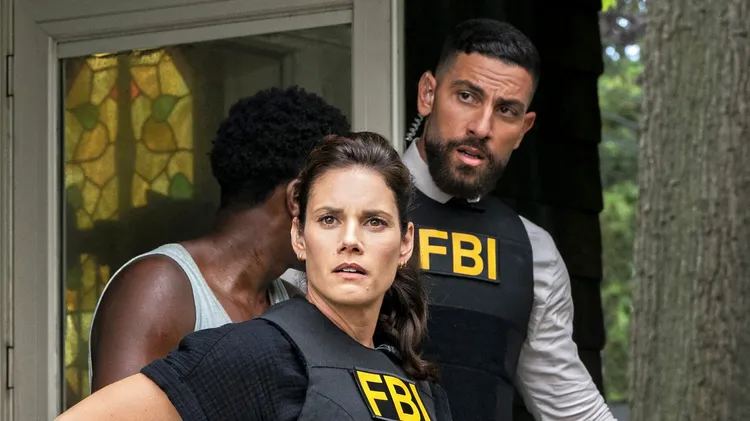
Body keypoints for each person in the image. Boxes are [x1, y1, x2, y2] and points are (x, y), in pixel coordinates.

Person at [57, 131, 453, 421]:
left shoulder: (418, 385)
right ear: (299, 237)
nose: (350, 240)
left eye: (374, 222)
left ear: (405, 243)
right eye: (329, 219)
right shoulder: (260, 351)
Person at [402, 19, 617, 421]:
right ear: (428, 93)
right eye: (467, 96)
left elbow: (571, 407)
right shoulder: (346, 207)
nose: (481, 127)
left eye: (505, 110)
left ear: (523, 129)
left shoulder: (531, 250)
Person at [88, 86, 350, 392]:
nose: (348, 230)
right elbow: (116, 413)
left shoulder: (291, 303)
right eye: (335, 207)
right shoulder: (159, 289)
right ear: (297, 198)